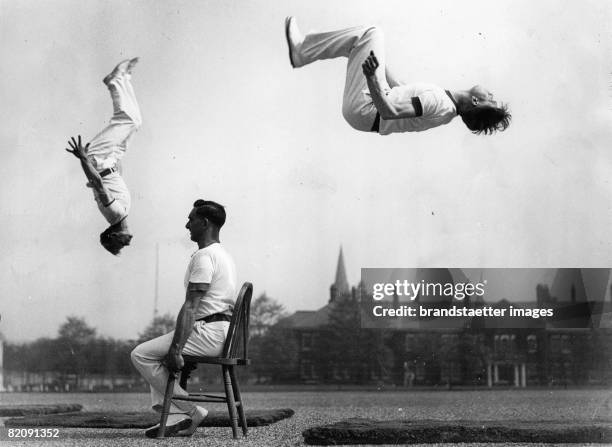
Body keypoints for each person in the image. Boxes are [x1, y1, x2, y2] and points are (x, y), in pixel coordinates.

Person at [284, 17, 511, 136]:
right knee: (359, 43)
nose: (491, 94)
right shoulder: (445, 105)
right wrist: (376, 63)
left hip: (367, 108)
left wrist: (372, 77)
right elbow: (401, 87)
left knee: (371, 33)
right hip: (371, 107)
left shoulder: (440, 102)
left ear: (475, 101)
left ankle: (303, 51)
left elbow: (389, 111)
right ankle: (305, 50)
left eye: (491, 99)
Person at [131, 200, 237, 438]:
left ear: (205, 222)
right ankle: (175, 417)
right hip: (223, 332)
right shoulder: (224, 255)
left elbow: (190, 307)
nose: (187, 224)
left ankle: (190, 411)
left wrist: (176, 349)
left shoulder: (204, 256)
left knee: (141, 354)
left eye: (191, 219)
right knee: (156, 352)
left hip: (209, 333)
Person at [65, 58, 142, 255]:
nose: (128, 243)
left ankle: (115, 81)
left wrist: (83, 158)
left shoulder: (115, 214)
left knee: (126, 120)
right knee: (135, 122)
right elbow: (109, 184)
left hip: (97, 159)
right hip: (110, 161)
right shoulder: (120, 213)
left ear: (115, 235)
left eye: (122, 243)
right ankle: (123, 78)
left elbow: (97, 182)